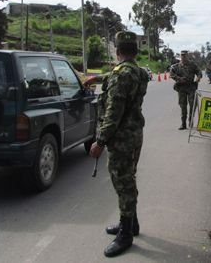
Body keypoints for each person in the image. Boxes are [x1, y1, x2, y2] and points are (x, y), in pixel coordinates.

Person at [88, 31, 149, 257]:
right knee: (128, 179)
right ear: (134, 50)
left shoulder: (121, 74)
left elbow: (114, 110)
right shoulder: (138, 71)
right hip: (134, 134)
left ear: (118, 50)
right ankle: (130, 223)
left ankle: (125, 234)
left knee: (123, 183)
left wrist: (100, 141)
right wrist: (98, 78)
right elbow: (120, 80)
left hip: (121, 137)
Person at [170, 50, 202, 130]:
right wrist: (179, 79)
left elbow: (199, 71)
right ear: (180, 56)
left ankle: (191, 121)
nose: (183, 57)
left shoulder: (192, 64)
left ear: (188, 56)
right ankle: (183, 123)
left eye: (185, 55)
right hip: (181, 88)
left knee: (193, 105)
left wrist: (198, 77)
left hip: (191, 87)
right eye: (182, 55)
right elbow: (172, 74)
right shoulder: (177, 66)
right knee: (183, 106)